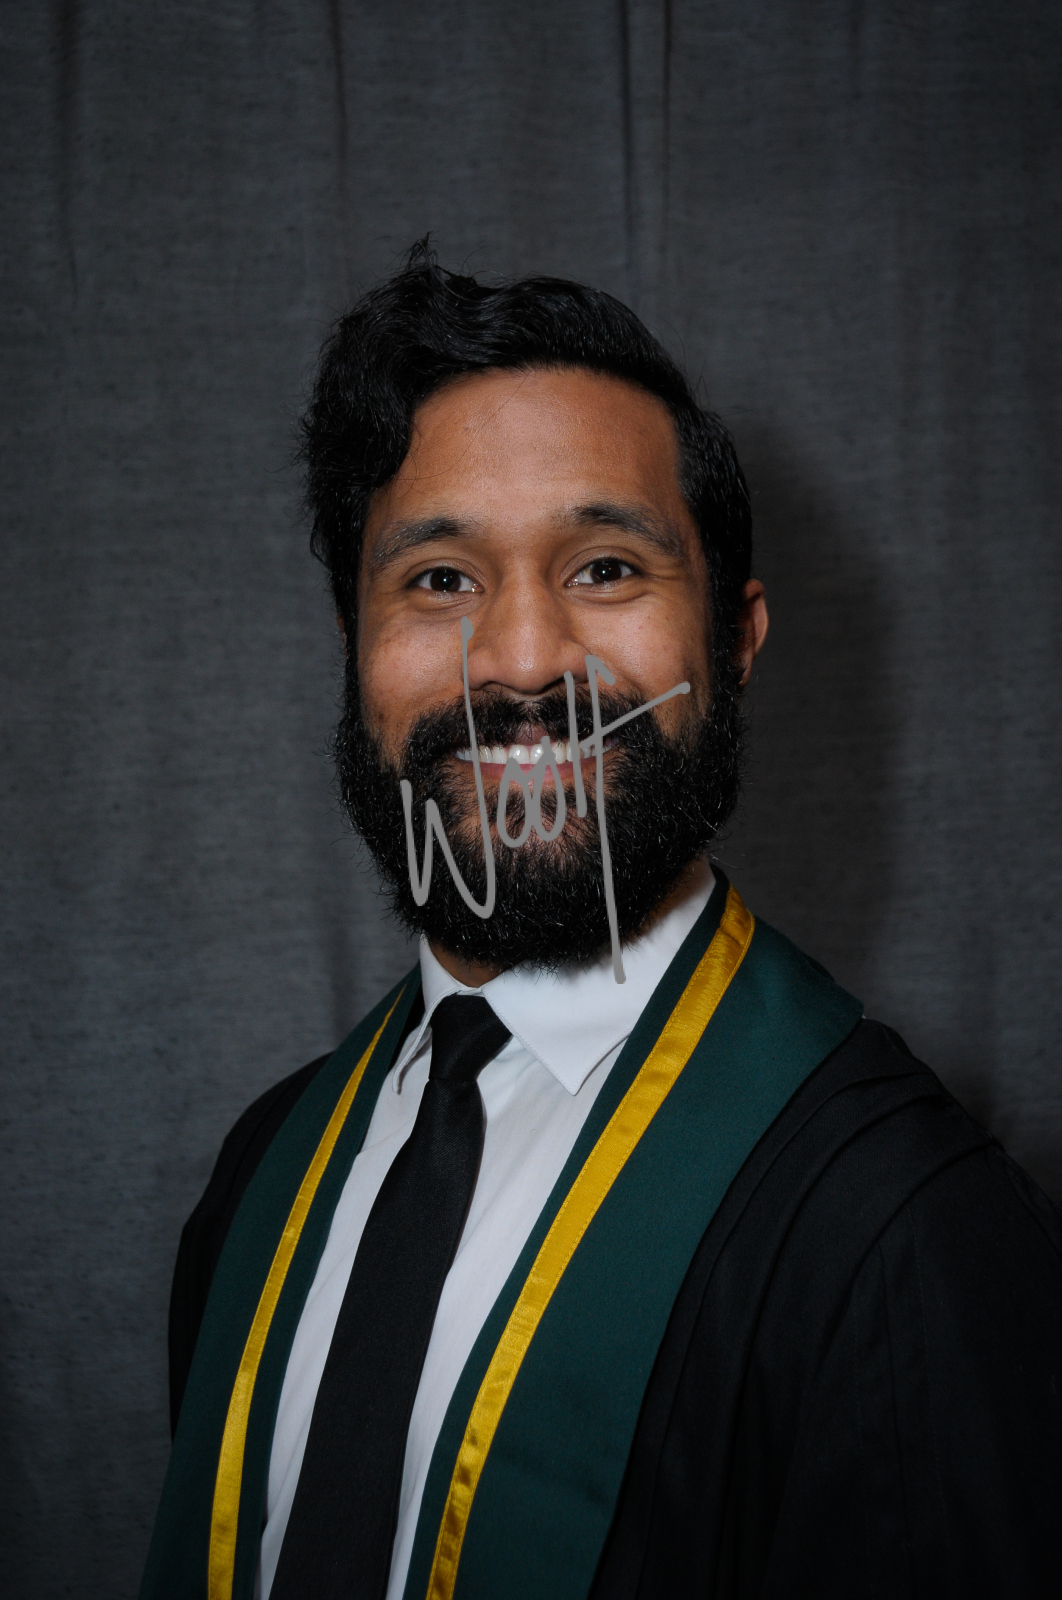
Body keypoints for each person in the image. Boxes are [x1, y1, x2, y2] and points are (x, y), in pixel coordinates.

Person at [142, 249, 1062, 1600]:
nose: (523, 661)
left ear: (734, 639)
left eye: (607, 567)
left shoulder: (906, 1238)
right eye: (439, 580)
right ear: (354, 647)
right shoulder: (263, 1173)